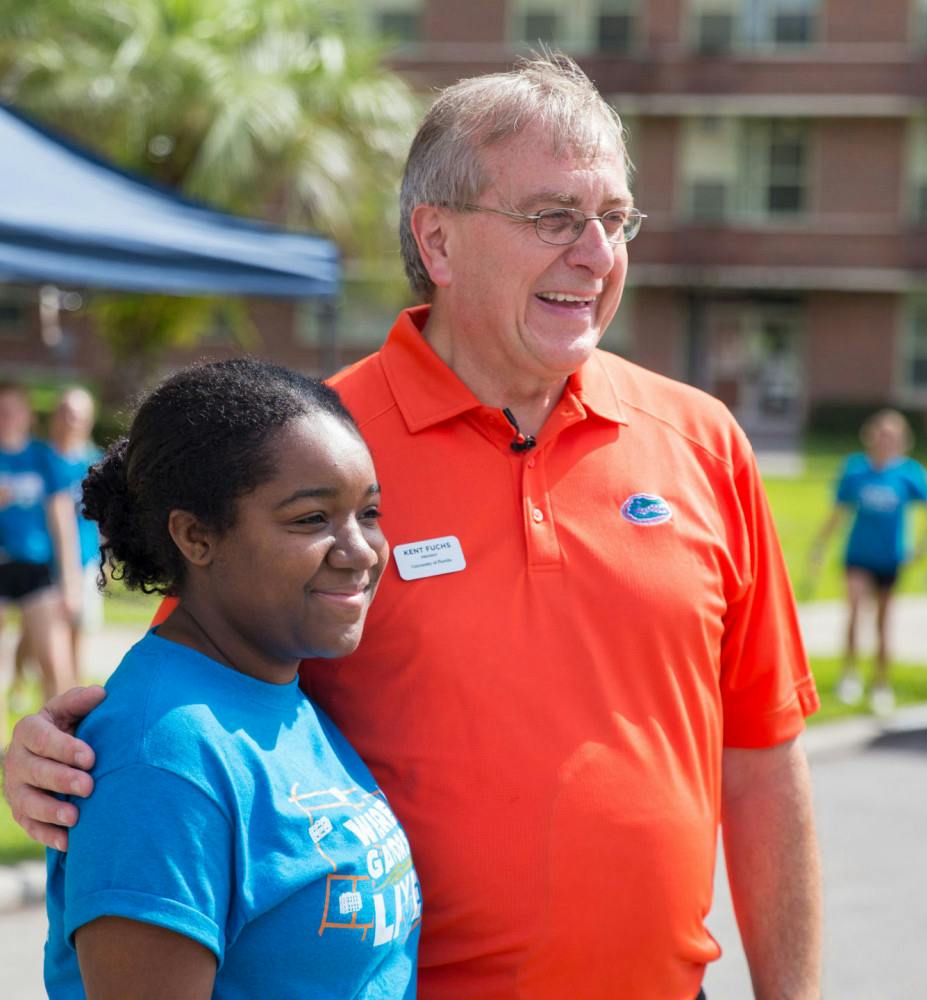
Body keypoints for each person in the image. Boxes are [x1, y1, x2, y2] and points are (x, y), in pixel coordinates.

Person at [6, 54, 820, 1000]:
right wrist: (61, 759)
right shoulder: (312, 454)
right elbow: (198, 682)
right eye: (554, 218)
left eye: (614, 218)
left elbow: (762, 757)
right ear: (437, 240)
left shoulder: (703, 439)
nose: (596, 254)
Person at [43, 359, 420, 999]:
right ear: (196, 536)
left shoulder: (276, 688)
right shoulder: (162, 761)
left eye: (370, 511)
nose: (359, 550)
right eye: (311, 519)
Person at [811, 408, 927, 716]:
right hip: (858, 555)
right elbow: (839, 511)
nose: (885, 441)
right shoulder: (856, 470)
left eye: (892, 436)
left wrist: (920, 549)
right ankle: (850, 674)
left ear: (902, 441)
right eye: (881, 434)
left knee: (883, 622)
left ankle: (881, 683)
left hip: (890, 559)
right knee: (855, 611)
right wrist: (820, 545)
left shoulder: (909, 474)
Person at [0, 381, 79, 747]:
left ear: (28, 415)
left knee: (54, 662)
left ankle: (55, 744)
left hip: (35, 569)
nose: (7, 417)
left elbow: (62, 522)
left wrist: (71, 582)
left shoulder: (41, 457)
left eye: (13, 409)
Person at [15, 386, 103, 686]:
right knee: (43, 636)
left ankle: (71, 697)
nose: (70, 421)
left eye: (77, 415)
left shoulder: (95, 462)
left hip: (85, 560)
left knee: (77, 633)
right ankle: (19, 678)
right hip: (44, 562)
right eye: (64, 413)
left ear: (89, 420)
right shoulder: (40, 457)